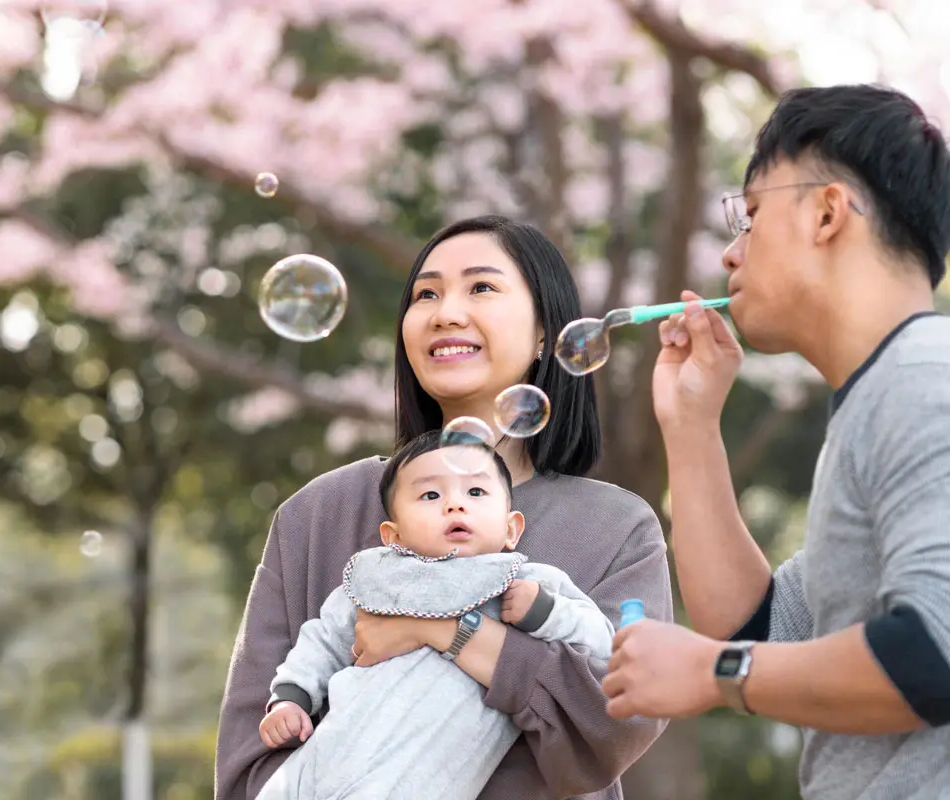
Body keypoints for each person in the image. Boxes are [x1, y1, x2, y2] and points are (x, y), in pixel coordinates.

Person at [216, 214, 672, 800]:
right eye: (425, 294)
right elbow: (249, 764)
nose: (445, 312)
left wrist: (438, 631)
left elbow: (616, 723)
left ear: (545, 334)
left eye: (481, 287)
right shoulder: (319, 513)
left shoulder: (615, 528)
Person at [601, 83, 950, 799]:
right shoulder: (881, 396)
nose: (732, 254)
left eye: (750, 215)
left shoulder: (925, 383)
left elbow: (934, 651)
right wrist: (692, 428)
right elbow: (760, 631)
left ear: (826, 212)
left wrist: (710, 675)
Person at [256, 431, 616, 800]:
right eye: (431, 495)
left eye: (475, 493)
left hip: (418, 776)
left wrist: (545, 613)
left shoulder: (525, 583)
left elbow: (603, 644)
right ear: (393, 537)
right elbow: (323, 638)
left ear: (511, 529)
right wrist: (290, 697)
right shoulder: (378, 579)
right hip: (328, 753)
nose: (454, 505)